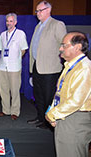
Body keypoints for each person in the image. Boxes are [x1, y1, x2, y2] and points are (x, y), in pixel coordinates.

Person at [45, 32, 91, 157]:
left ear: (77, 47)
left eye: (64, 45)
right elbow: (61, 93)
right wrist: (54, 113)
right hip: (65, 116)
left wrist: (52, 114)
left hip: (75, 119)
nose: (60, 49)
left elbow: (76, 101)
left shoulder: (84, 68)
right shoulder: (70, 66)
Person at [27, 0, 67, 129]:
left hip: (50, 68)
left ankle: (48, 122)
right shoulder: (38, 26)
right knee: (38, 95)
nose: (38, 13)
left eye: (40, 10)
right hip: (37, 66)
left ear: (48, 10)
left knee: (48, 96)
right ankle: (40, 117)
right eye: (37, 11)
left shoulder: (57, 24)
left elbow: (64, 45)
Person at [0, 13, 28, 120]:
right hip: (2, 66)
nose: (9, 23)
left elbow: (23, 49)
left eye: (11, 21)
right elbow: (1, 49)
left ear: (15, 22)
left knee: (14, 90)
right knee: (3, 89)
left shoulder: (20, 34)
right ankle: (5, 110)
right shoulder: (2, 35)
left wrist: (17, 59)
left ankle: (15, 111)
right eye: (7, 21)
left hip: (14, 67)